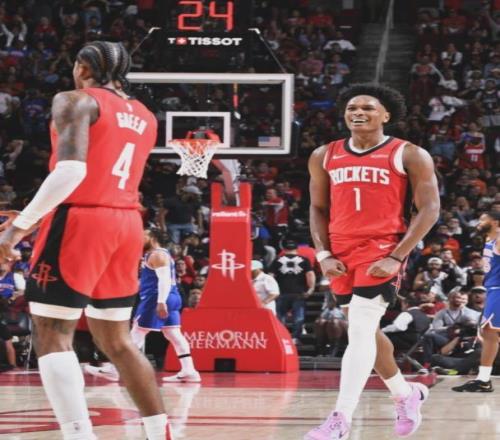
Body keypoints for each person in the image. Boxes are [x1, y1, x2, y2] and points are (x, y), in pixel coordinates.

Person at [0, 41, 172, 440]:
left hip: (82, 218)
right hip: (127, 222)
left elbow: (71, 172)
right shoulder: (145, 115)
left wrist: (17, 229)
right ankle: (160, 432)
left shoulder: (75, 99)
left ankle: (78, 435)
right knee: (117, 340)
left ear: (83, 67)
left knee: (50, 331)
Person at [305, 84, 440, 440]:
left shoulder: (409, 154)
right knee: (365, 332)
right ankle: (405, 394)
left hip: (381, 248)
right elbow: (317, 207)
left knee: (361, 328)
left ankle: (340, 419)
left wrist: (397, 256)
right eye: (352, 108)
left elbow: (429, 209)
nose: (358, 112)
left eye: (367, 107)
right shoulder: (324, 154)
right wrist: (323, 253)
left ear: (386, 115)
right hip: (340, 251)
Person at [130, 228, 200, 383]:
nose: (140, 237)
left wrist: (161, 302)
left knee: (138, 331)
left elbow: (164, 280)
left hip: (157, 297)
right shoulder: (155, 255)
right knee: (173, 334)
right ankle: (189, 370)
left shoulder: (158, 255)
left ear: (152, 237)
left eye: (144, 235)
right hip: (170, 296)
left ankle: (116, 369)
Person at [452, 211, 500, 392]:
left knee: (489, 332)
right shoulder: (489, 241)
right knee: (489, 334)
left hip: (498, 290)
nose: (478, 222)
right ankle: (483, 380)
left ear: (495, 222)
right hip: (493, 290)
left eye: (483, 219)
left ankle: (483, 379)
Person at [270, 239, 316, 344]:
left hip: (282, 292)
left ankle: (281, 337)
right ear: (297, 248)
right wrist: (311, 289)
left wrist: (273, 290)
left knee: (280, 317)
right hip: (299, 293)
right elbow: (310, 274)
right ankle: (295, 338)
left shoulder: (277, 260)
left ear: (284, 248)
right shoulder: (304, 260)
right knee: (298, 317)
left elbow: (271, 276)